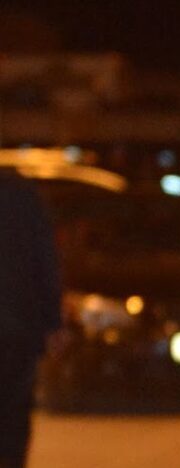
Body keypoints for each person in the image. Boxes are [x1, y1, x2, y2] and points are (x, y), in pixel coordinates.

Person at [0, 168, 61, 468]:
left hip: (17, 325)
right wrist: (52, 321)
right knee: (13, 411)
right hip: (18, 326)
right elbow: (45, 260)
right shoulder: (23, 194)